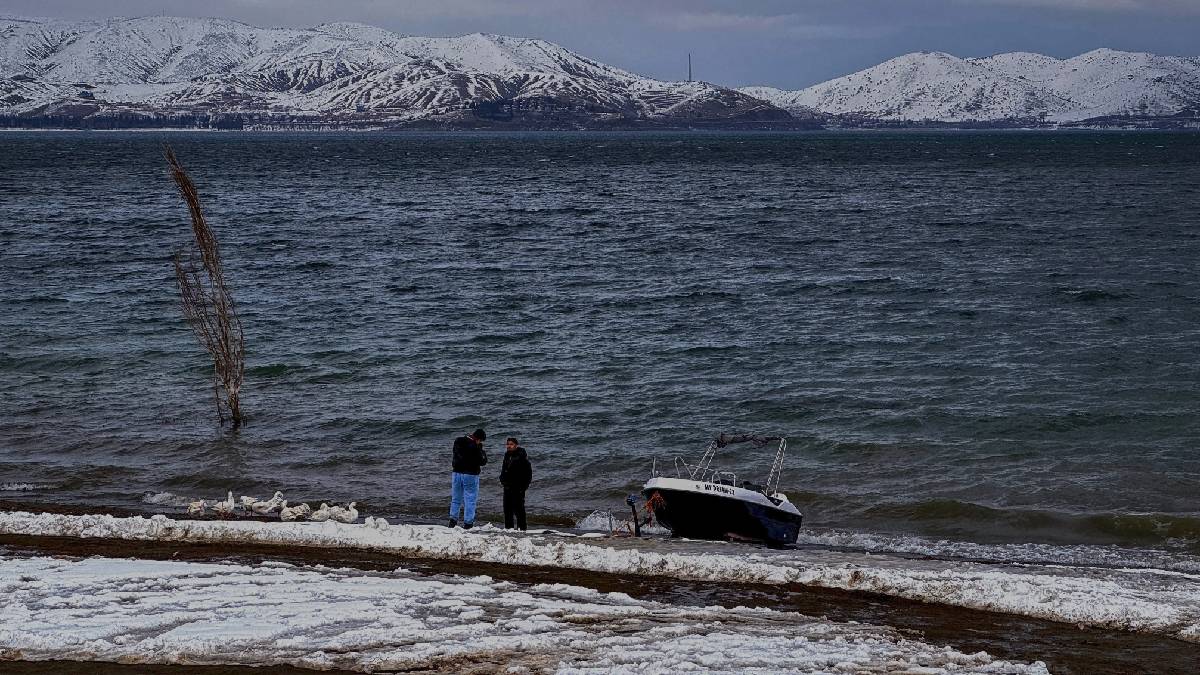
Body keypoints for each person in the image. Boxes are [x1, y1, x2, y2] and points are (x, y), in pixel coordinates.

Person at [449, 428, 487, 529]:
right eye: (481, 440)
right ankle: (468, 523)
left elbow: (456, 454)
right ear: (478, 439)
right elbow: (482, 461)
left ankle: (452, 521)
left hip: (456, 472)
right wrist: (481, 450)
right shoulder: (475, 446)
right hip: (470, 474)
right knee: (470, 499)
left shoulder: (458, 441)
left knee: (456, 498)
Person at [499, 436, 532, 530]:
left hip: (518, 487)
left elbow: (528, 473)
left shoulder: (521, 456)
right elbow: (504, 469)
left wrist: (524, 486)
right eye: (508, 444)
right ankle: (509, 528)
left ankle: (522, 528)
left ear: (516, 445)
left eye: (511, 444)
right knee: (507, 509)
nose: (509, 446)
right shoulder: (506, 456)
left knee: (519, 509)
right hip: (507, 486)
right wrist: (502, 479)